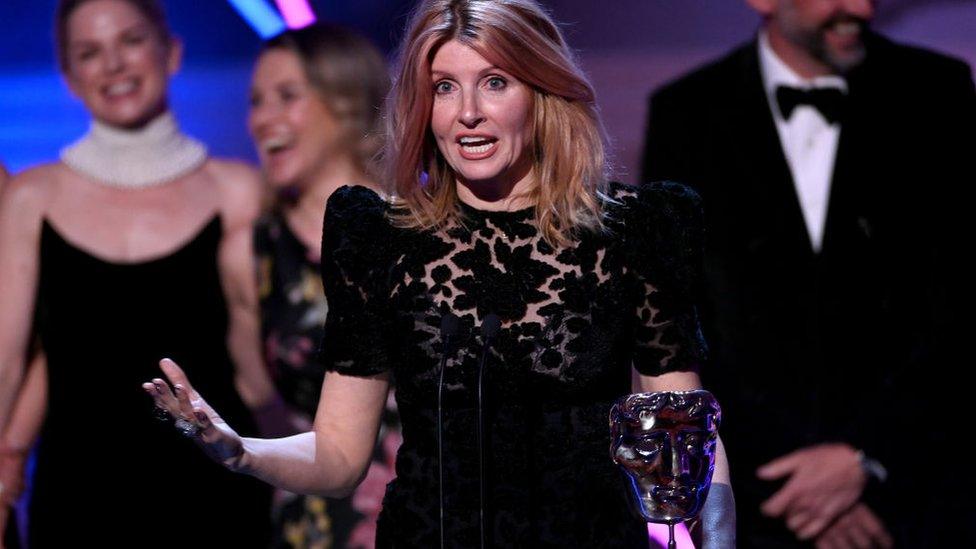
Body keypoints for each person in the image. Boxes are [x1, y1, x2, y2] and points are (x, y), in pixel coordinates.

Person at [146, 0, 735, 547]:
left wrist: (716, 542)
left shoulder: (634, 232)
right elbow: (339, 457)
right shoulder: (380, 240)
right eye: (445, 89)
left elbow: (689, 435)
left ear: (541, 93)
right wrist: (240, 451)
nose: (468, 113)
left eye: (495, 83)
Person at [641, 0, 976, 546]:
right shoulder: (686, 111)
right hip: (763, 501)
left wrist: (866, 459)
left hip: (914, 499)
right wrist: (798, 486)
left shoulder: (938, 90)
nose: (862, 8)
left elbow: (959, 306)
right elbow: (679, 324)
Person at [0, 0, 281, 545]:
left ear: (170, 51)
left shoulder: (239, 190)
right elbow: (8, 362)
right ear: (70, 78)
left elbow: (268, 364)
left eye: (130, 41)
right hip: (77, 501)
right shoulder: (32, 198)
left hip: (219, 499)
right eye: (89, 52)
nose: (113, 65)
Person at [247, 24, 400, 548]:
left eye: (287, 96)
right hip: (312, 524)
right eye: (256, 101)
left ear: (348, 102)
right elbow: (257, 396)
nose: (263, 118)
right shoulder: (254, 249)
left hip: (428, 513)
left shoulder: (423, 227)